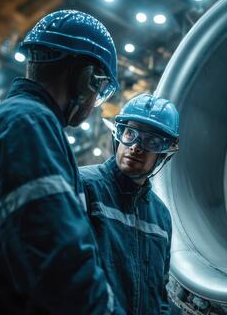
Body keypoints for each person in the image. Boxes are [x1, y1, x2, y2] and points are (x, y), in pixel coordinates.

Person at [0, 10, 124, 314]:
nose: (95, 104)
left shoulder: (9, 121)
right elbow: (61, 265)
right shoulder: (28, 125)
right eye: (100, 89)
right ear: (85, 79)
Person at [80, 94, 180, 314]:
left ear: (165, 153)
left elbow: (159, 295)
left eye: (151, 141)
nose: (136, 147)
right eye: (130, 134)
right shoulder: (85, 186)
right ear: (119, 135)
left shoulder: (161, 216)